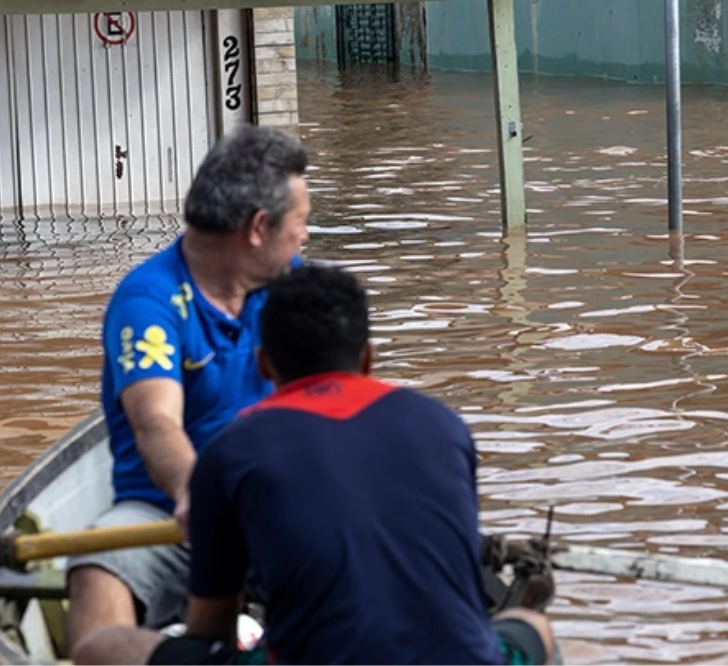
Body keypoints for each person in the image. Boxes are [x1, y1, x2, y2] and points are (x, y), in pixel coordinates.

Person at [72, 264, 557, 666]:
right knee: (533, 627)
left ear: (264, 364)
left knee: (103, 646)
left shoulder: (232, 449)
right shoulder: (445, 427)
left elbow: (210, 633)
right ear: (368, 357)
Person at [66, 125, 311, 657]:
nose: (304, 238)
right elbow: (158, 423)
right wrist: (198, 494)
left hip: (277, 502)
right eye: (300, 224)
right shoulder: (149, 300)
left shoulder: (295, 286)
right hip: (167, 512)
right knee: (94, 575)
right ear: (258, 228)